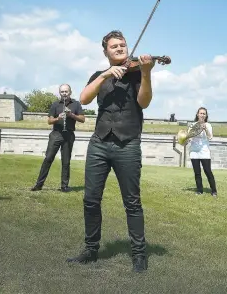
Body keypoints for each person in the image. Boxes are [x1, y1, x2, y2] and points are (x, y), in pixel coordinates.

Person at [66, 30, 155, 273]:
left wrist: (146, 72)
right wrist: (105, 74)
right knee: (90, 199)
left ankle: (139, 254)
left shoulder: (137, 73)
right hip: (99, 144)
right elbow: (83, 99)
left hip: (128, 144)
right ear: (105, 51)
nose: (119, 48)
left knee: (132, 202)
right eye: (114, 46)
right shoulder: (99, 75)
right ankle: (91, 250)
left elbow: (144, 102)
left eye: (123, 45)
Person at [31, 84, 85, 192]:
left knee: (66, 162)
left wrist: (71, 115)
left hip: (68, 135)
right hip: (56, 134)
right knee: (48, 159)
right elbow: (49, 121)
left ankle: (64, 186)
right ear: (60, 93)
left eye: (66, 91)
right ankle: (39, 185)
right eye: (62, 92)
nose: (64, 93)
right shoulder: (55, 104)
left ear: (70, 92)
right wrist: (58, 118)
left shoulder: (76, 104)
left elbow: (82, 119)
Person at [188, 107, 217, 197]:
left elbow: (210, 137)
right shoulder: (192, 125)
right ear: (197, 114)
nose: (202, 115)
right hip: (194, 151)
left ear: (206, 115)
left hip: (204, 151)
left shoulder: (208, 125)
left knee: (207, 171)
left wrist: (205, 129)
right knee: (197, 172)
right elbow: (189, 137)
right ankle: (199, 190)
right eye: (201, 113)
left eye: (204, 114)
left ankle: (214, 190)